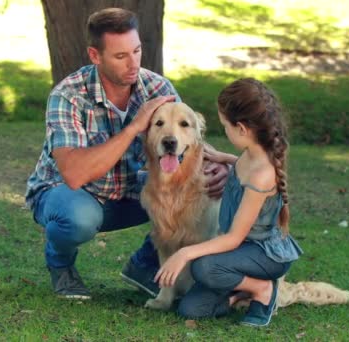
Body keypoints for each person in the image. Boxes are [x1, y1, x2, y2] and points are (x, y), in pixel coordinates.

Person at [24, 8, 229, 300]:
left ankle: (145, 264)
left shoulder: (158, 87)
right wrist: (134, 127)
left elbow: (186, 139)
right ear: (95, 56)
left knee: (189, 192)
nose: (133, 64)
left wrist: (218, 165)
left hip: (130, 190)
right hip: (70, 195)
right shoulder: (68, 95)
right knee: (78, 218)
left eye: (137, 51)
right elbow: (73, 174)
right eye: (121, 57)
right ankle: (61, 265)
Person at [153, 78, 303, 327]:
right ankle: (238, 296)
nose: (224, 131)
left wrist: (184, 252)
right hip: (242, 252)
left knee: (203, 267)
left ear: (242, 129)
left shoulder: (262, 175)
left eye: (225, 126)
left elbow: (233, 238)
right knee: (190, 309)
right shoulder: (251, 154)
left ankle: (262, 289)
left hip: (263, 254)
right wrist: (225, 158)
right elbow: (243, 166)